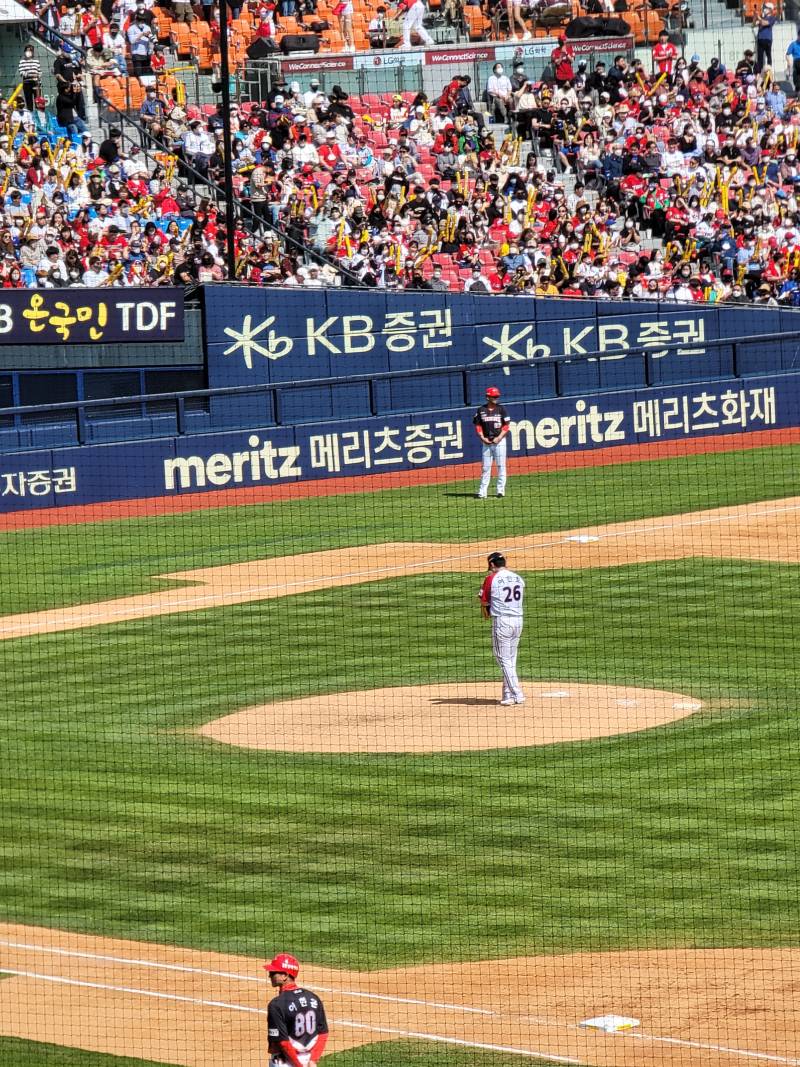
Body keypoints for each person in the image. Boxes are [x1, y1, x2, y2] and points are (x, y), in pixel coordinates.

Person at [265, 952, 329, 1067]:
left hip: (286, 1061)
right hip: (308, 1059)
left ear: (285, 975)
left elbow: (282, 1043)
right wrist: (313, 1060)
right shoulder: (313, 998)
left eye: (273, 972)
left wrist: (298, 1065)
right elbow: (323, 1034)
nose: (270, 975)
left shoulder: (276, 1005)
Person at [478, 551, 525, 706]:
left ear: (492, 564)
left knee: (503, 659)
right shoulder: (518, 578)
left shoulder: (491, 578)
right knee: (511, 658)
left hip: (502, 622)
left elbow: (484, 602)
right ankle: (507, 695)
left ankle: (517, 694)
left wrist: (487, 610)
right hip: (518, 621)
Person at [473, 385, 511, 498]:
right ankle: (482, 492)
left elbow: (506, 426)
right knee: (485, 468)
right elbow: (478, 425)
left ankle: (500, 491)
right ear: (487, 397)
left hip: (500, 442)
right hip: (486, 442)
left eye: (497, 396)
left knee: (501, 466)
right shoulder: (481, 410)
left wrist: (499, 437)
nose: (496, 398)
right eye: (493, 396)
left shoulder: (501, 409)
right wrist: (482, 437)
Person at [755, 2, 776, 72]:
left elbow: (764, 23)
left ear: (770, 9)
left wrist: (758, 17)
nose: (764, 9)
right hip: (760, 39)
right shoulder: (762, 17)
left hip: (767, 39)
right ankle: (759, 72)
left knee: (768, 55)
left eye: (765, 8)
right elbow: (753, 24)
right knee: (760, 58)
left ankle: (769, 71)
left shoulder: (772, 18)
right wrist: (755, 17)